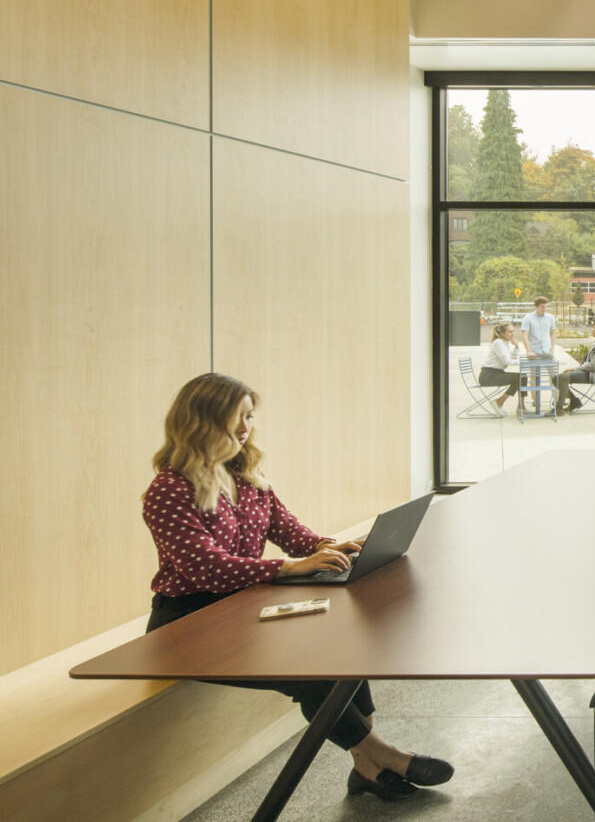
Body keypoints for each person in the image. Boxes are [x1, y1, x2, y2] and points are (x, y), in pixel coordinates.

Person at [142, 373, 455, 803]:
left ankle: (366, 765)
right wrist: (290, 568)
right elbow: (205, 569)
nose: (244, 429)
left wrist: (327, 547)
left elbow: (289, 531)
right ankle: (381, 754)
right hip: (186, 625)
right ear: (202, 422)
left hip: (242, 611)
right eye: (235, 419)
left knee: (341, 644)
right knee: (311, 672)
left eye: (249, 417)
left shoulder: (245, 473)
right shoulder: (168, 489)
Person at [557, 320, 595, 414]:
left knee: (563, 377)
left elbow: (593, 366)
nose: (592, 330)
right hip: (586, 372)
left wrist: (574, 369)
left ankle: (559, 409)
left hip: (592, 375)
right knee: (555, 378)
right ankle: (574, 401)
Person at [518, 296, 555, 409]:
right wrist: (528, 350)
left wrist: (552, 347)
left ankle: (556, 399)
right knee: (534, 376)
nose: (544, 309)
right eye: (542, 307)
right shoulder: (528, 318)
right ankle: (535, 399)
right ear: (536, 306)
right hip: (534, 352)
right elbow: (524, 334)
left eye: (546, 307)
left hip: (547, 352)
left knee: (554, 376)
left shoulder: (550, 318)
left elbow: (553, 332)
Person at [478, 320, 519, 414]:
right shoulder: (498, 343)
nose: (512, 334)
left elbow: (512, 357)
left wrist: (516, 346)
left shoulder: (506, 343)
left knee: (522, 377)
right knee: (521, 377)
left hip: (498, 373)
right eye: (510, 331)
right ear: (503, 333)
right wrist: (517, 362)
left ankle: (521, 407)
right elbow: (506, 361)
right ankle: (499, 402)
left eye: (513, 331)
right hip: (488, 375)